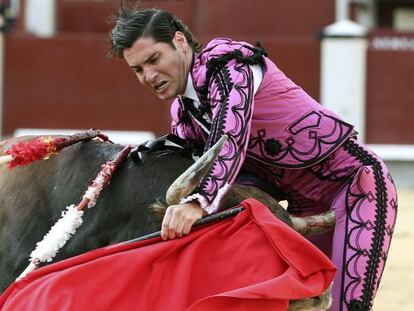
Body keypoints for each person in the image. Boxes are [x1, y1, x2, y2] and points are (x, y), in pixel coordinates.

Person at [109, 7, 397, 311]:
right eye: (138, 69)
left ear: (180, 41)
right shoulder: (184, 116)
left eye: (154, 59)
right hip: (303, 210)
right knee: (294, 306)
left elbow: (230, 136)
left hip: (354, 185)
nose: (149, 76)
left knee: (347, 307)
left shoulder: (229, 64)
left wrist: (197, 201)